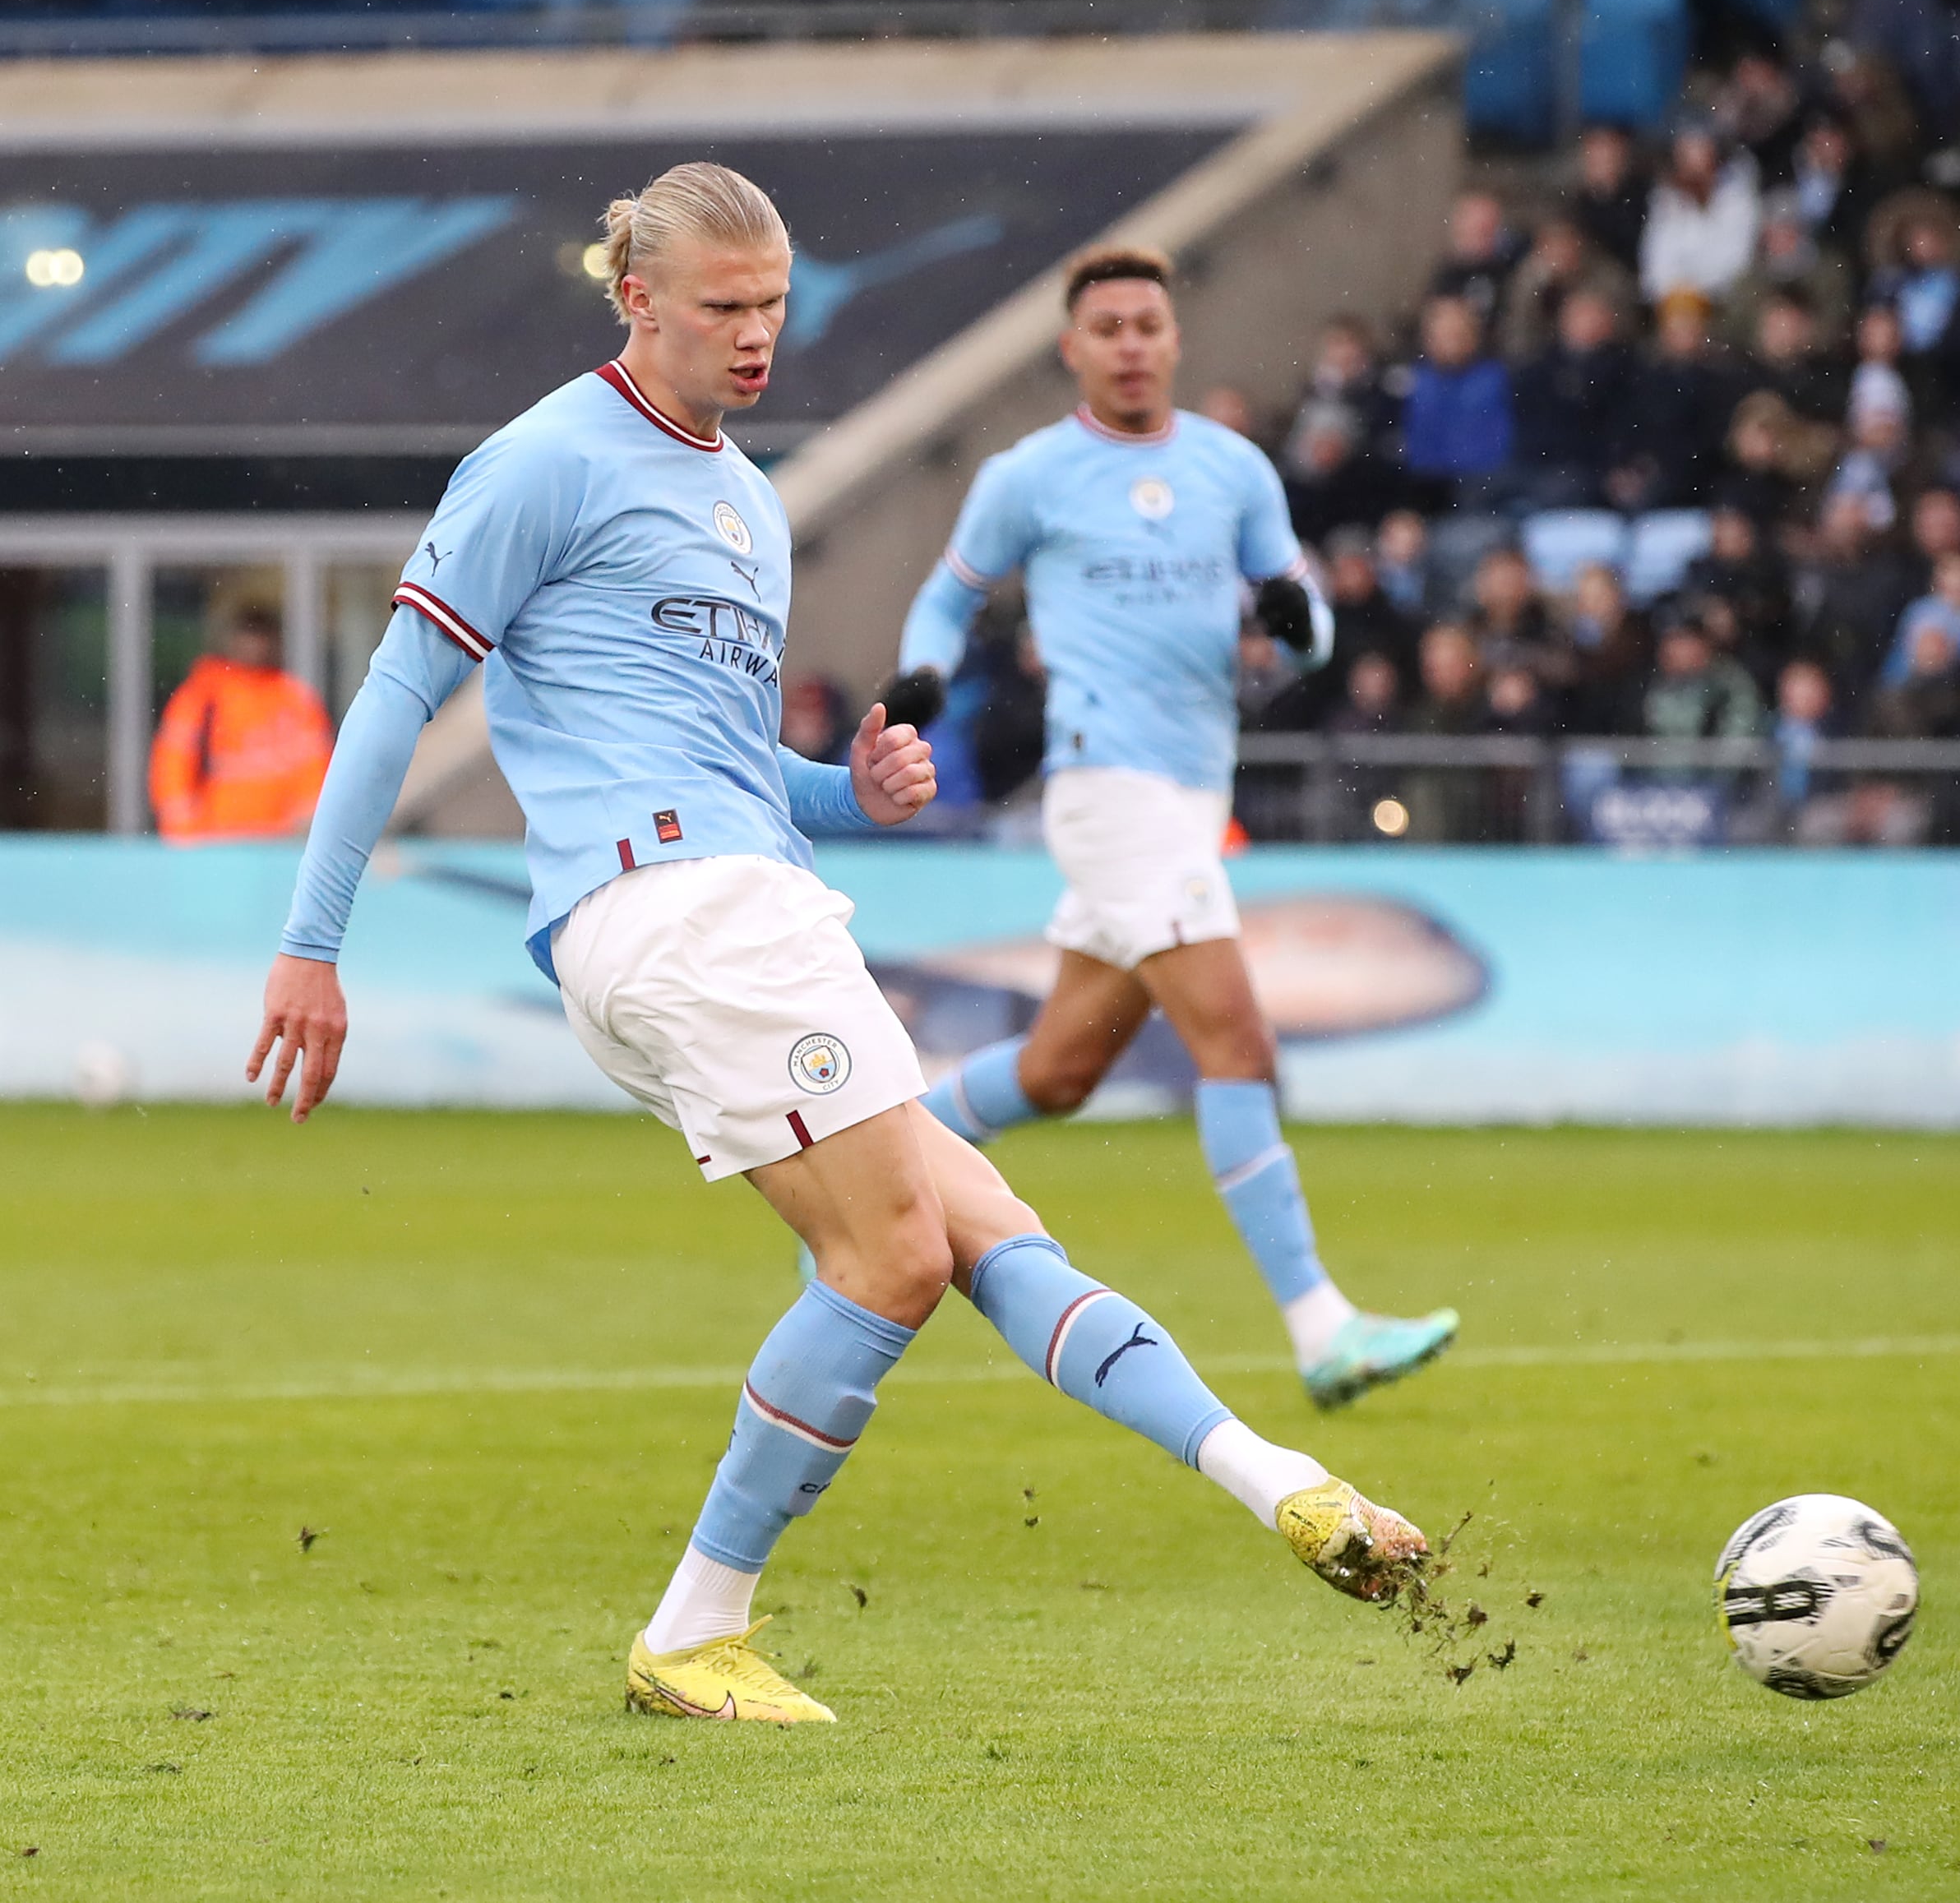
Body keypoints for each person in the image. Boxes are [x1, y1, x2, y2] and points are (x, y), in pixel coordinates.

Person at [246, 167, 1426, 1728]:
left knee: (990, 1226)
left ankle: (1282, 1480)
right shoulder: (542, 459)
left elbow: (738, 768)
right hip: (673, 912)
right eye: (724, 306)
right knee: (894, 1253)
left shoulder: (748, 500)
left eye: (774, 306)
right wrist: (310, 942)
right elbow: (397, 693)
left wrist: (846, 791)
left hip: (741, 895)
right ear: (637, 298)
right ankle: (692, 1628)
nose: (755, 336)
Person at [890, 242, 1459, 1411]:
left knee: (1057, 1070)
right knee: (1239, 1048)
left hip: (1192, 796)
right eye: (1108, 328)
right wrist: (924, 676)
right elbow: (949, 591)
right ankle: (1322, 1327)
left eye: (1148, 323)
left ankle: (875, 1168)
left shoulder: (1232, 471)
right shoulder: (1030, 475)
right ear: (1073, 348)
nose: (1131, 344)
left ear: (1174, 338)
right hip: (1109, 791)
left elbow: (1308, 636)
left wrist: (1299, 620)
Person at [148, 602, 331, 842]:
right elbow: (172, 765)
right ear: (231, 641)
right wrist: (184, 834)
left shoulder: (296, 699)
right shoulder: (203, 697)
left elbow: (316, 771)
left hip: (280, 845)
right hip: (215, 843)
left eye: (261, 636)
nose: (255, 645)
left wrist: (304, 832)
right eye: (248, 635)